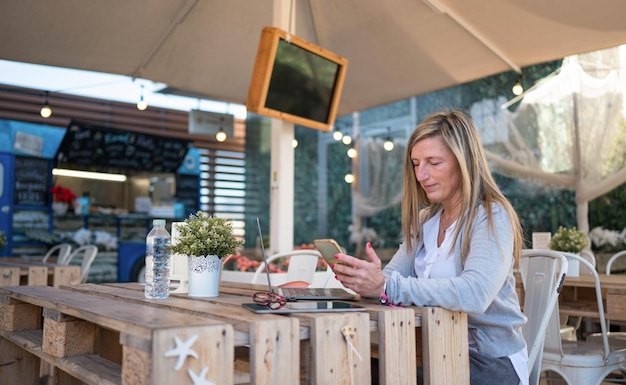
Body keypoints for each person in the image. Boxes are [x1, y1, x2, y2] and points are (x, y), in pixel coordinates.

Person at [333, 110, 528, 385]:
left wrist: (385, 287)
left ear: (465, 163)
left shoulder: (491, 214)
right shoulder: (426, 221)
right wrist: (368, 280)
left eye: (434, 163)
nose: (421, 174)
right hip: (434, 350)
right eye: (415, 163)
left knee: (386, 375)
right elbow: (390, 282)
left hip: (490, 361)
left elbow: (475, 293)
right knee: (354, 365)